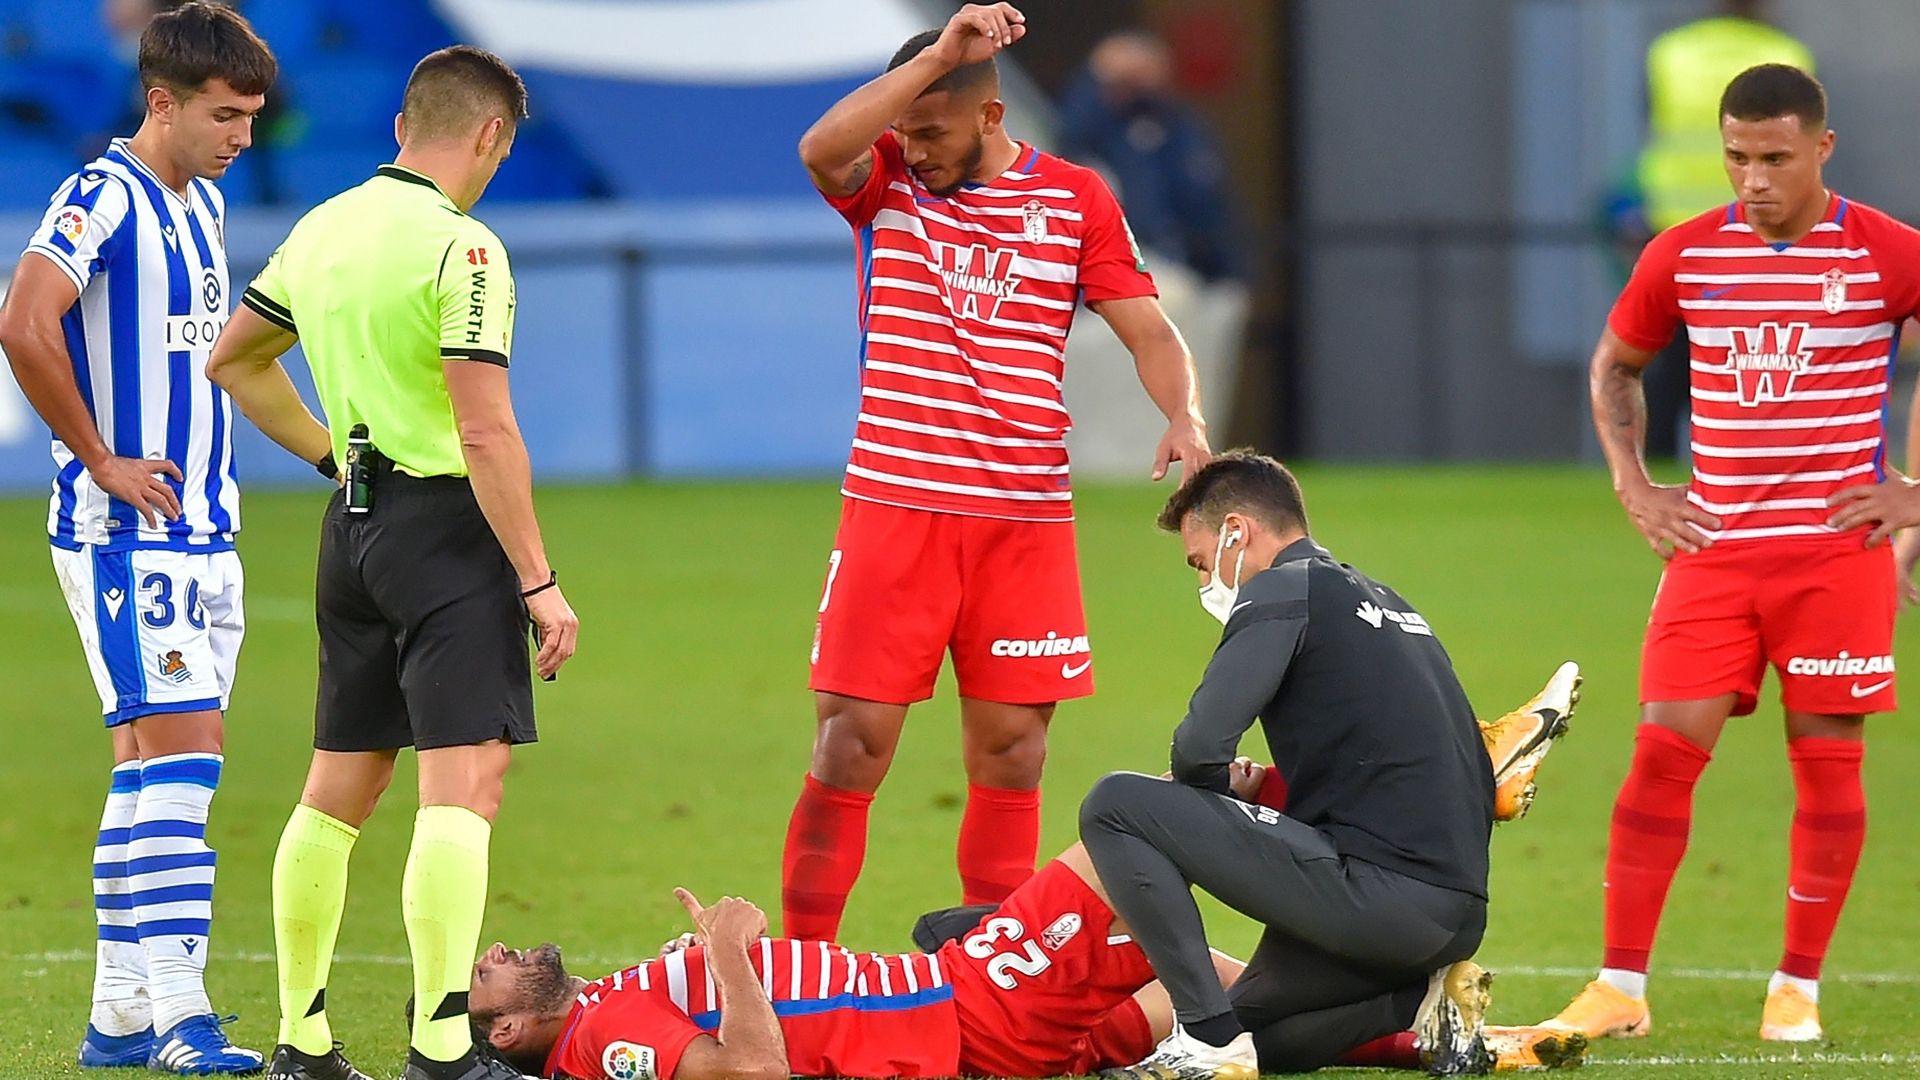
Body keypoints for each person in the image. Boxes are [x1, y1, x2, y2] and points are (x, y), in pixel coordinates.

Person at [784, 0, 1213, 945]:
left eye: (932, 130)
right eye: (905, 131)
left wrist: (1182, 415)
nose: (916, 149)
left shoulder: (1076, 198)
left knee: (1014, 754)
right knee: (852, 744)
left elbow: (1148, 327)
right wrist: (937, 53)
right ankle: (800, 974)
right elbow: (821, 147)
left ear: (992, 114)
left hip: (1022, 522)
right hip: (896, 508)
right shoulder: (884, 178)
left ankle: (989, 979)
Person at [205, 45, 579, 1080]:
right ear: (491, 135)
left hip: (354, 531)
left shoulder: (323, 227)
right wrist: (539, 582)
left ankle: (303, 1042)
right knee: (466, 787)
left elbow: (233, 359)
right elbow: (487, 430)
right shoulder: (465, 250)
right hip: (447, 536)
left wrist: (334, 453)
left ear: (404, 123)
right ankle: (444, 1050)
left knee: (335, 793)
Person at [1539, 63, 1920, 1046]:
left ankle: (1796, 990)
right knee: (1660, 757)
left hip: (1838, 557)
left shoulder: (1885, 252)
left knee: (1829, 767)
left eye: (1775, 158)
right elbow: (1616, 365)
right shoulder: (1685, 255)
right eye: (1737, 157)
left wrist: (1912, 495)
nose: (1752, 178)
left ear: (1821, 151)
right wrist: (1634, 484)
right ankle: (1620, 987)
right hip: (1714, 552)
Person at [460, 749, 1585, 1080]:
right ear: (511, 1033)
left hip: (959, 1019)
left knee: (1188, 990)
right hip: (963, 1015)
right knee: (1132, 831)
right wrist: (729, 958)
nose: (502, 952)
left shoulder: (604, 1007)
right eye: (489, 978)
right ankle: (1400, 813)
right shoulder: (603, 1047)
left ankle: (1442, 1042)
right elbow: (750, 1078)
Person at [0, 4, 274, 1072]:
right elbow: (25, 319)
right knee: (189, 763)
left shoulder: (200, 205)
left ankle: (118, 1014)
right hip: (129, 531)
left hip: (205, 529)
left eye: (250, 116)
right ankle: (181, 1015)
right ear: (161, 100)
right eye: (225, 114)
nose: (242, 136)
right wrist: (100, 458)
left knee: (144, 766)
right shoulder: (102, 195)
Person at [1075, 451, 1502, 1078]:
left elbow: (1196, 751)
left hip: (1376, 894)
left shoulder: (1280, 588)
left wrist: (1224, 789)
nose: (1204, 584)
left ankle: (1205, 1034)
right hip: (1452, 915)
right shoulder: (1386, 600)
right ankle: (1416, 1005)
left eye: (1200, 562)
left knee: (1116, 805)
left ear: (1236, 532)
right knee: (1262, 1042)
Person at [1633, 0, 1814, 460]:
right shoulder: (1788, 53)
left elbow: (1651, 126)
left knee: (1669, 361)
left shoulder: (1671, 52)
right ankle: (1760, 465)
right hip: (1765, 225)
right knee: (1762, 357)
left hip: (1675, 224)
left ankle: (1651, 466)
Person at [1055, 30, 1246, 282]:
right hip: (1122, 262)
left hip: (1187, 263)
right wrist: (1098, 75)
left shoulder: (1178, 125)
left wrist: (1231, 271)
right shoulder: (1102, 126)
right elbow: (1070, 135)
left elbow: (1206, 199)